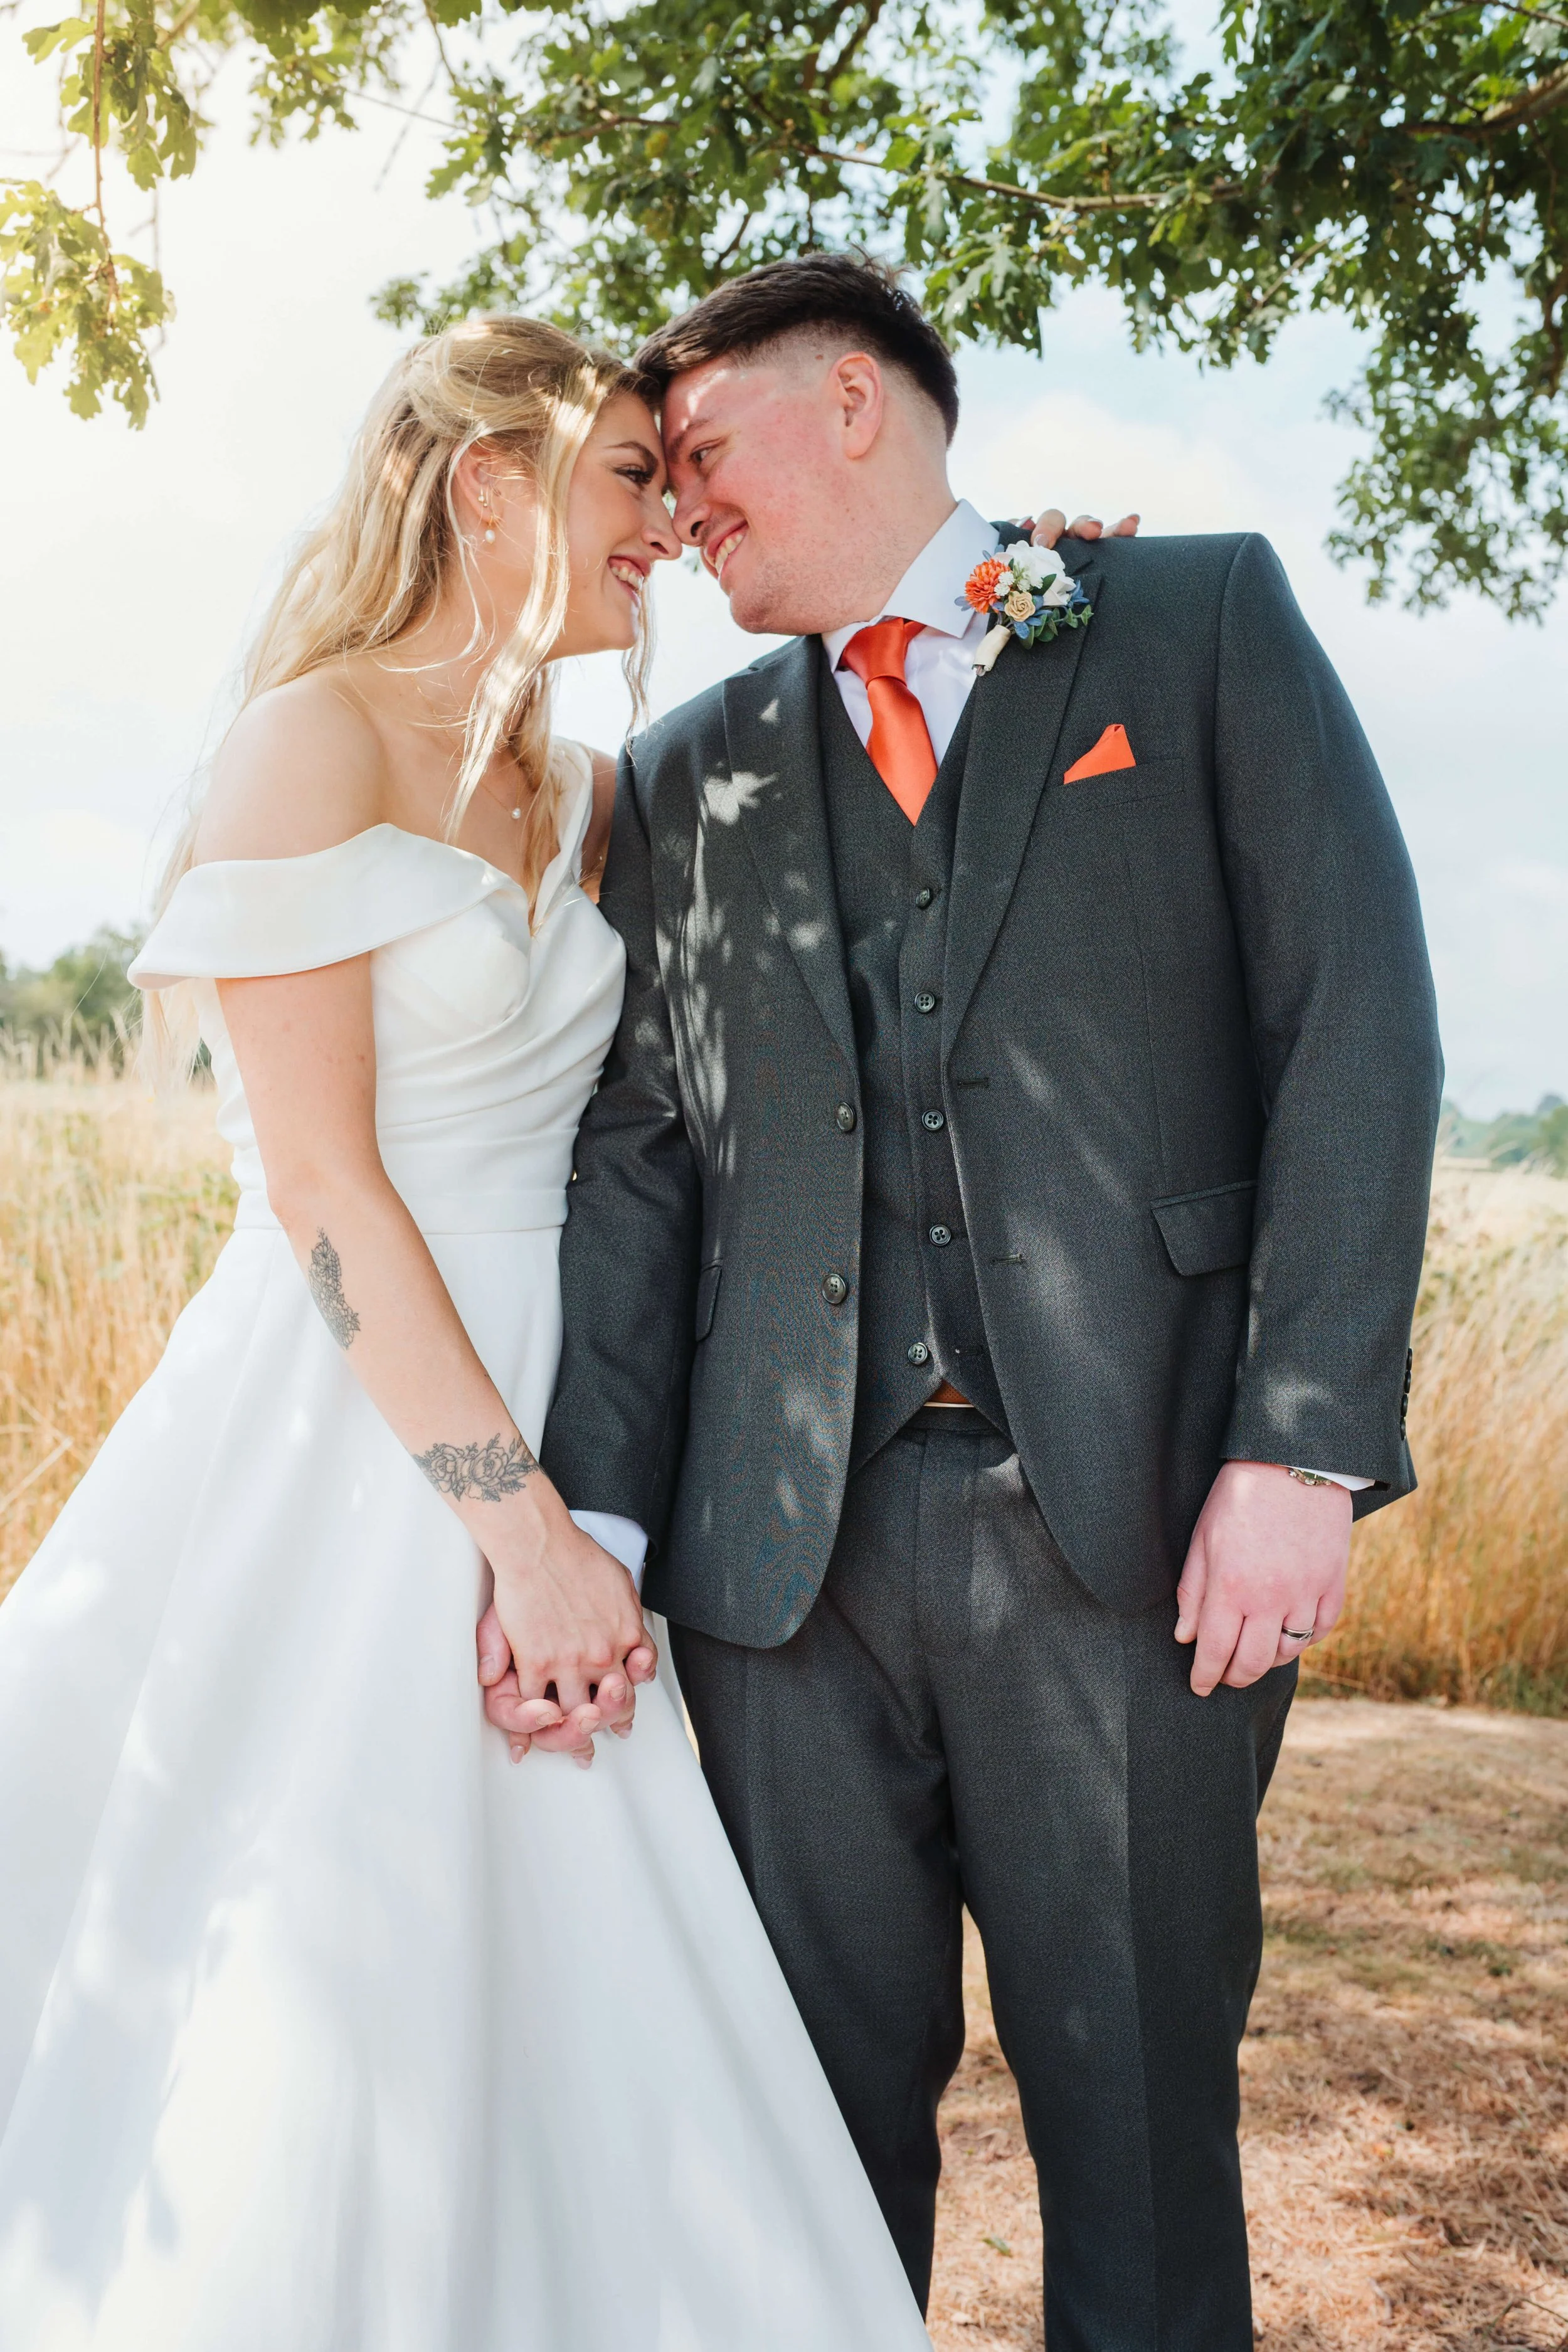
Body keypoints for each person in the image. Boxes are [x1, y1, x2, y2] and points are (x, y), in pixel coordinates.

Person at [495, 255, 1445, 2349]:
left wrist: (1300, 1439)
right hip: (773, 1573)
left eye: (707, 451)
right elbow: (641, 1171)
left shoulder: (1190, 624)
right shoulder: (682, 771)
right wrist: (607, 1529)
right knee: (801, 2141)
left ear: (857, 407)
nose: (681, 509)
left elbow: (1355, 1027)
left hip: (1126, 1537)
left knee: (1130, 2120)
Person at [0, 315, 951, 2348]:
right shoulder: (312, 739)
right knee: (326, 1962)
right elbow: (328, 1186)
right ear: (487, 481)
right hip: (354, 1421)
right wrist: (519, 1531)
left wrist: (1040, 599)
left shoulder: (594, 790)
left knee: (576, 1954)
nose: (667, 530)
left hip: (563, 1399)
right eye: (628, 476)